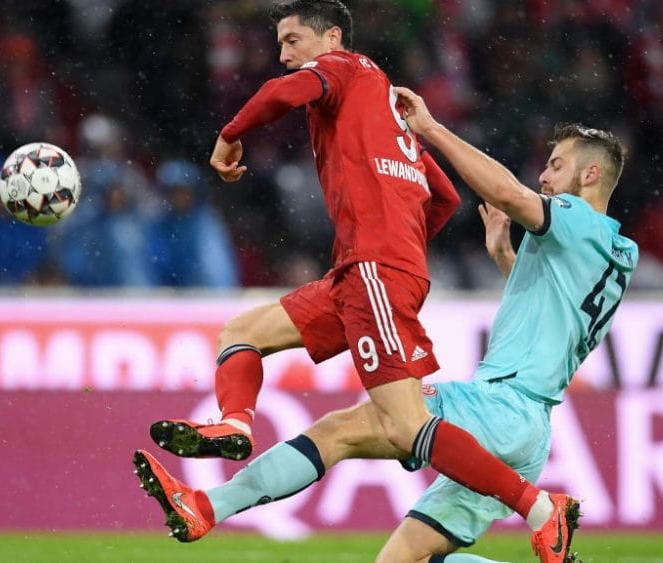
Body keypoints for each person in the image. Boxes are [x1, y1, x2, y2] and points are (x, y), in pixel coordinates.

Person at [144, 2, 602, 562]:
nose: (284, 56)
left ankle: (539, 508)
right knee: (243, 333)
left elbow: (278, 96)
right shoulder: (392, 110)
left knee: (407, 426)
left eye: (293, 41)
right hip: (362, 273)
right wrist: (399, 244)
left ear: (331, 37)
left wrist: (230, 136)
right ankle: (227, 445)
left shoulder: (345, 68)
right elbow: (446, 197)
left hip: (373, 271)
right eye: (280, 44)